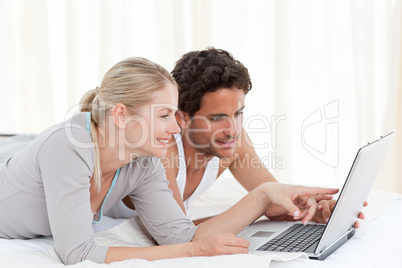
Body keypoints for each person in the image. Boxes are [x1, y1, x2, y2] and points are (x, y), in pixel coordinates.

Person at [0, 57, 338, 265]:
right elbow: (76, 253)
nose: (175, 127)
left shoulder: (143, 159)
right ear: (120, 115)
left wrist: (271, 197)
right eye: (164, 115)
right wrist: (194, 253)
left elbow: (177, 234)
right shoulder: (68, 146)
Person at [111, 48, 366, 226]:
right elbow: (180, 232)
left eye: (238, 113)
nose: (232, 129)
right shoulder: (162, 151)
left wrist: (308, 212)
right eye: (216, 118)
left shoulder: (234, 141)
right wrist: (257, 206)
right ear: (182, 117)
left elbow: (274, 202)